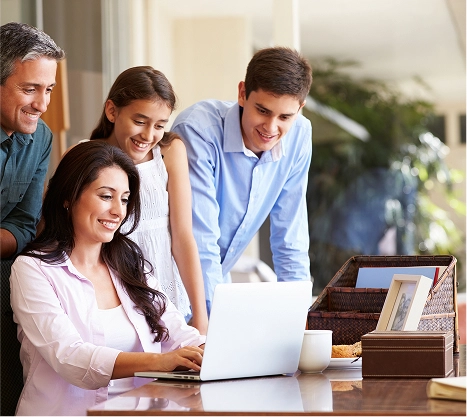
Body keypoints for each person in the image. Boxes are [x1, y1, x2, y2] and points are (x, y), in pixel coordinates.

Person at [10, 141, 205, 416]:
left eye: (124, 199)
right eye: (106, 196)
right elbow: (70, 357)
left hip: (141, 411)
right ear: (68, 197)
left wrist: (208, 350)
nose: (118, 211)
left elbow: (175, 331)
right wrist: (159, 362)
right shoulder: (32, 269)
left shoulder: (130, 261)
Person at [171, 47, 313, 312]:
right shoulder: (198, 131)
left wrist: (299, 319)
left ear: (300, 109)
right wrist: (216, 321)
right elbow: (201, 239)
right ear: (242, 93)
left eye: (285, 117)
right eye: (262, 110)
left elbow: (290, 239)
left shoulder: (300, 136)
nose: (271, 128)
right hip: (170, 288)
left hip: (216, 284)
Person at [88, 66, 208, 334]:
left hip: (166, 288)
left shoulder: (169, 151)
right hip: (114, 289)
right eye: (140, 121)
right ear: (112, 111)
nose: (148, 135)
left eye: (160, 125)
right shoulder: (87, 156)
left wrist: (201, 314)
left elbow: (183, 236)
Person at [0, 21, 65, 416]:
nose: (42, 105)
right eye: (30, 89)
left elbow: (25, 224)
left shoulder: (40, 138)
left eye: (49, 90)